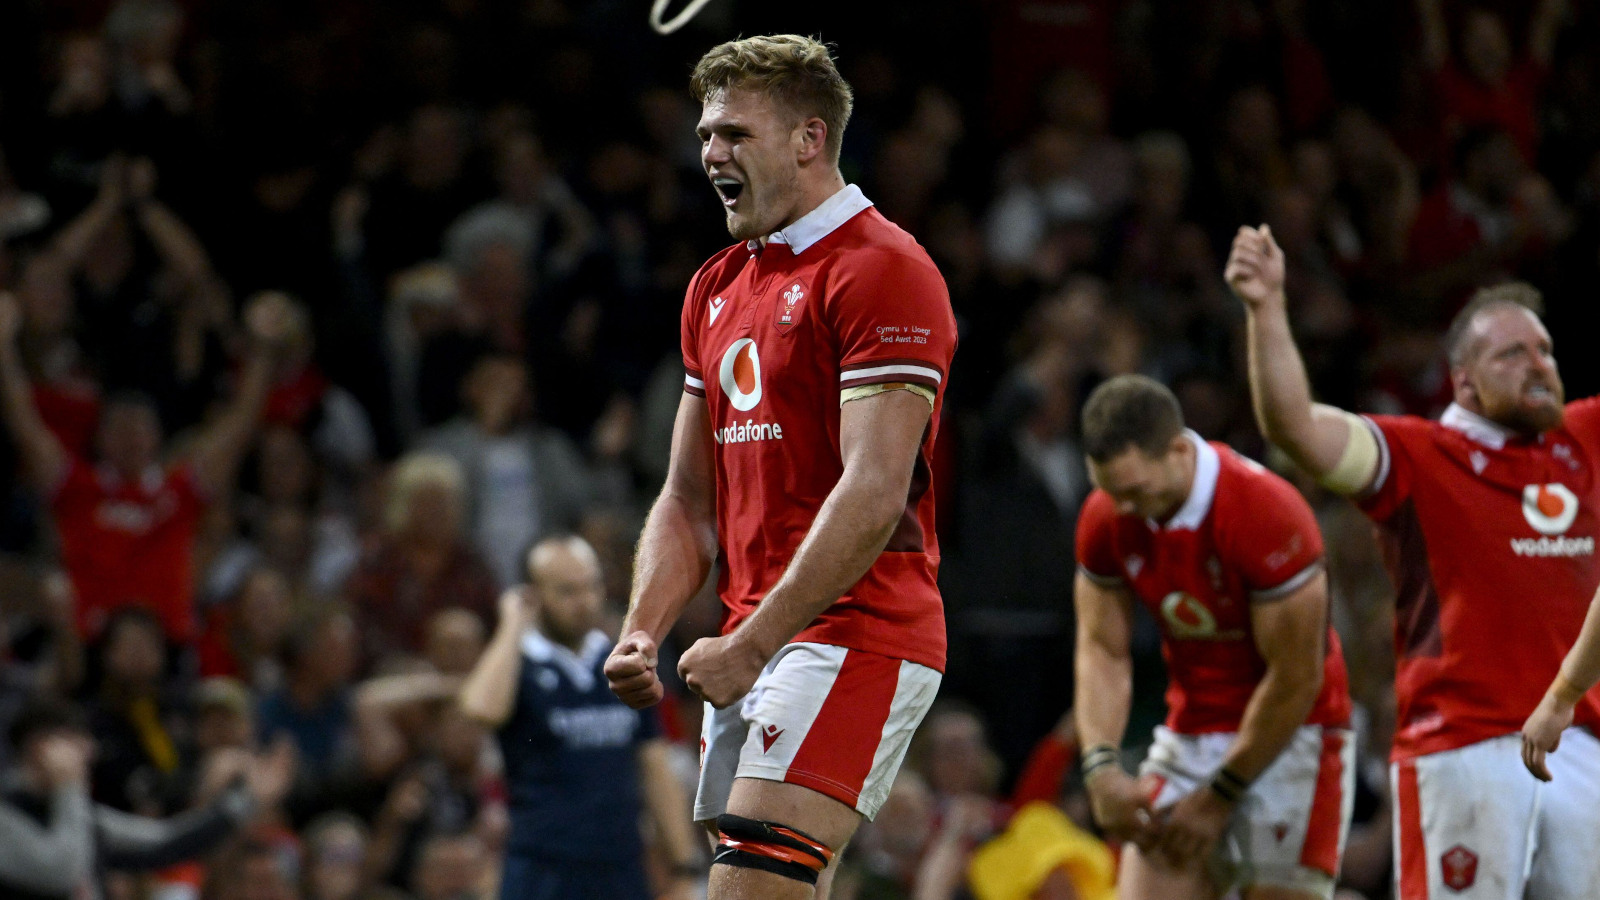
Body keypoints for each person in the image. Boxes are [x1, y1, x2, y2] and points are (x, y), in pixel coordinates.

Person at [601, 34, 956, 900]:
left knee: (752, 885)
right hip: (754, 641)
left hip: (854, 630)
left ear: (808, 139)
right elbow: (687, 498)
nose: (711, 154)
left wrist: (755, 645)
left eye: (733, 134)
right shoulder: (716, 285)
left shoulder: (884, 270)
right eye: (705, 136)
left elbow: (872, 492)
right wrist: (645, 626)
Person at [1227, 224, 1600, 898]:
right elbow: (1295, 427)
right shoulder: (1418, 454)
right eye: (1513, 353)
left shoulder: (1586, 437)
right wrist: (1266, 308)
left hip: (1585, 742)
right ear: (1463, 380)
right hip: (1465, 744)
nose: (1539, 363)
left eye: (1544, 349)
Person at [1070, 375, 1353, 900]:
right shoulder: (1107, 514)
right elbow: (1102, 648)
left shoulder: (1267, 513)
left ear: (1179, 450)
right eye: (1110, 492)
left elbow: (1295, 677)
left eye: (1135, 492)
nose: (1123, 509)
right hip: (1194, 725)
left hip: (1296, 732)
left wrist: (1218, 796)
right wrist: (1101, 767)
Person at [0, 289, 293, 648]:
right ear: (102, 439)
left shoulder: (177, 489)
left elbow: (240, 426)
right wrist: (3, 348)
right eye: (121, 429)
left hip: (168, 648)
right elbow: (24, 424)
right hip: (92, 651)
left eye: (141, 429)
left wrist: (262, 349)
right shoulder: (77, 486)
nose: (132, 439)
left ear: (156, 438)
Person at [459, 535, 702, 900]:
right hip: (541, 872)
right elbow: (480, 709)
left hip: (619, 869)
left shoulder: (623, 664)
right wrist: (512, 624)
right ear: (533, 595)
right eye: (567, 592)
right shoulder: (518, 666)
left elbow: (654, 765)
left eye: (592, 586)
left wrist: (684, 864)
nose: (585, 602)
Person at [0, 700, 295, 900]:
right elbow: (61, 871)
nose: (89, 751)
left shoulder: (76, 812)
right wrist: (68, 786)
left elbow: (163, 842)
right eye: (77, 740)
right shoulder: (8, 814)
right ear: (41, 747)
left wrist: (247, 800)